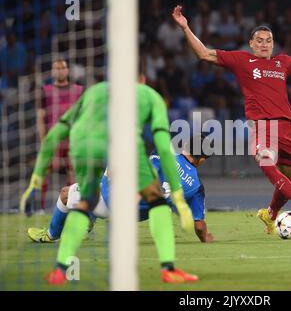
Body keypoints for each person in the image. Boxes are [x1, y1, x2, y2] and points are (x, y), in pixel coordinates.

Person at [172, 5, 291, 234]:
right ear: (251, 44)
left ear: (273, 44)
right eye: (259, 40)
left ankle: (269, 214)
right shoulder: (241, 60)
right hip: (262, 127)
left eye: (268, 40)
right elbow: (204, 53)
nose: (264, 44)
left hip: (288, 128)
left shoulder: (282, 62)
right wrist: (185, 27)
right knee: (268, 164)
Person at [20, 79, 197, 285]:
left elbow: (54, 137)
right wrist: (178, 197)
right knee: (154, 199)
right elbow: (164, 151)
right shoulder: (150, 104)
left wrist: (37, 176)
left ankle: (52, 240)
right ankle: (168, 268)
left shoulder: (95, 101)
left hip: (107, 200)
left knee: (69, 194)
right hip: (134, 211)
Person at [27, 135, 214, 243]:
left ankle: (50, 235)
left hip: (112, 201)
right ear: (203, 160)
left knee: (65, 194)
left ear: (186, 145)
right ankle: (89, 219)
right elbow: (199, 225)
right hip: (132, 216)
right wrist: (206, 237)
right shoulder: (197, 188)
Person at [36, 59, 84, 210]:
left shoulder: (79, 90)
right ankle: (40, 208)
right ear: (52, 71)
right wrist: (43, 139)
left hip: (72, 139)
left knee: (73, 173)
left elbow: (84, 116)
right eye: (56, 68)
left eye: (62, 68)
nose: (60, 71)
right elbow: (40, 116)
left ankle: (71, 206)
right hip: (53, 139)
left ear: (68, 70)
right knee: (45, 171)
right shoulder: (45, 90)